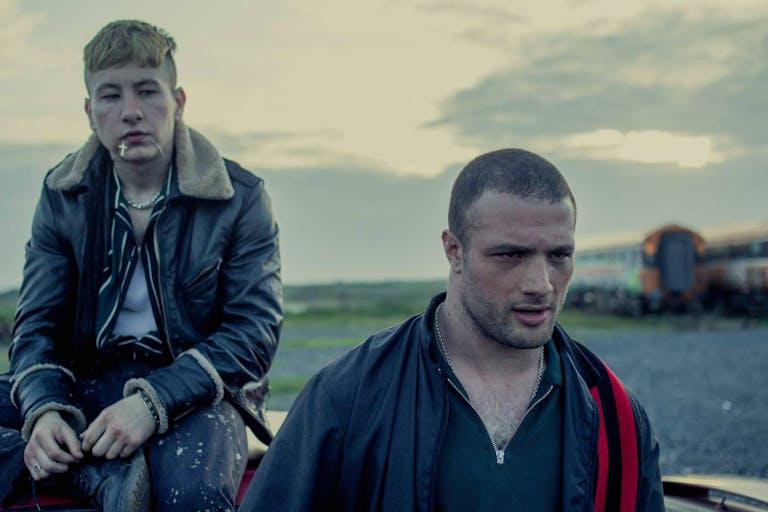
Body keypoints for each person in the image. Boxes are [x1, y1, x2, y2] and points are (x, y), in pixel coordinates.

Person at [240, 148, 665, 511]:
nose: (541, 284)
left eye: (559, 255)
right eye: (510, 255)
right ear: (453, 251)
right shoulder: (349, 397)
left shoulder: (616, 416)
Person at [0, 19, 282, 512]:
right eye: (110, 96)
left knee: (194, 495)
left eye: (147, 91)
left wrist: (153, 402)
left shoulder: (239, 196)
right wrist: (45, 410)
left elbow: (252, 332)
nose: (131, 111)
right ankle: (96, 472)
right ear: (90, 113)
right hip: (85, 379)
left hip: (199, 392)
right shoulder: (62, 193)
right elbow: (37, 325)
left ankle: (95, 466)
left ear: (179, 101)